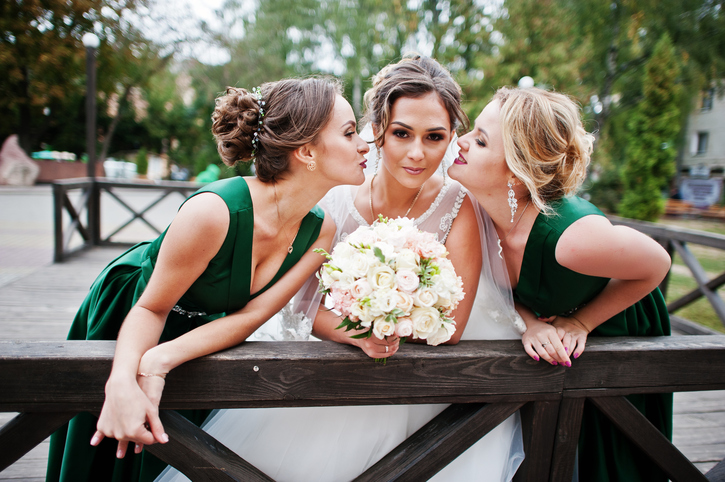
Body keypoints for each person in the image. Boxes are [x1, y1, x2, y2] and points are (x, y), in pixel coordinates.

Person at [158, 55, 526, 482]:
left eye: (435, 137)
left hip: (426, 384)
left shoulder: (458, 205)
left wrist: (391, 318)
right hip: (340, 366)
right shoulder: (334, 200)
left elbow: (453, 325)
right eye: (402, 133)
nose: (417, 153)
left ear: (450, 139)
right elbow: (304, 306)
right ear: (378, 131)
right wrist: (361, 333)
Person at [46, 77, 370, 482]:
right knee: (111, 454)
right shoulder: (213, 212)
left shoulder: (321, 231)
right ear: (306, 151)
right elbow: (152, 306)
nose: (365, 145)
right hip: (134, 312)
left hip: (205, 335)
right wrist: (125, 376)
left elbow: (251, 317)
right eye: (350, 132)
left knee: (175, 456)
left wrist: (162, 360)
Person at [449, 86, 672, 482]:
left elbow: (657, 264)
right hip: (552, 333)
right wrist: (529, 323)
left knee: (609, 455)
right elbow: (495, 287)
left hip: (614, 322)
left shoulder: (571, 239)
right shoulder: (478, 214)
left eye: (480, 140)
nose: (460, 141)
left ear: (517, 173)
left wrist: (582, 322)